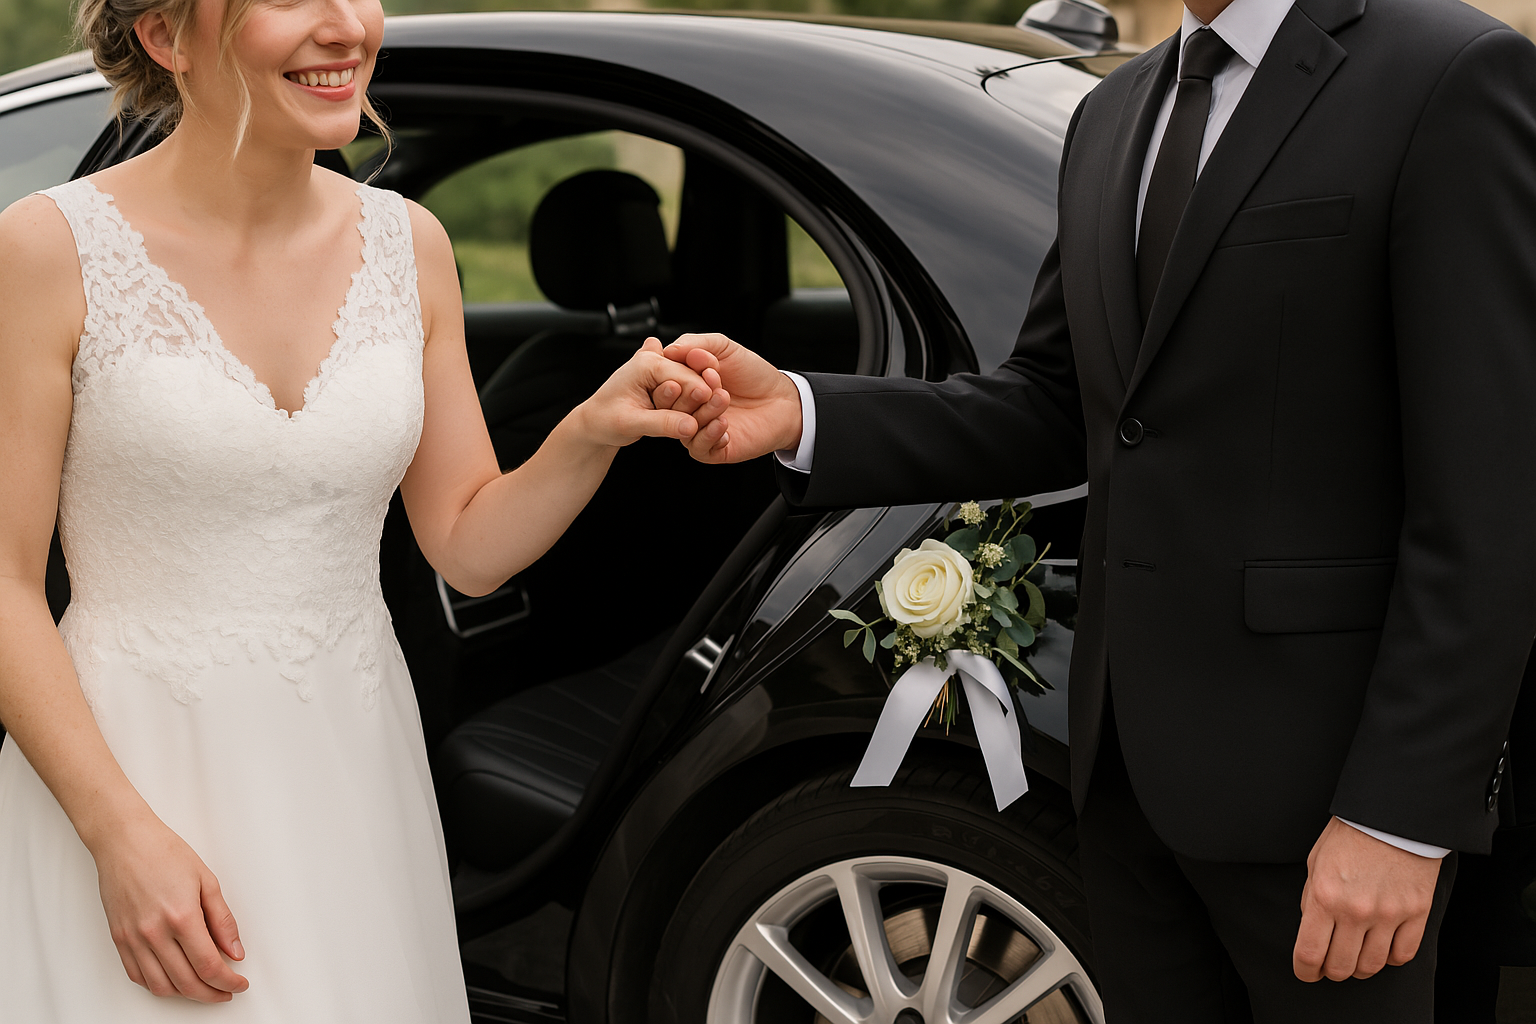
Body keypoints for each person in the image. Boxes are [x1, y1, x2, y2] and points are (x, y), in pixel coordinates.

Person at [653, 0, 1536, 1017]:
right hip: (1123, 787)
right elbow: (1056, 402)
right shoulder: (1114, 115)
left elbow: (1493, 497)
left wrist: (1398, 816)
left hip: (1331, 808)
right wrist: (802, 412)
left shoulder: (1450, 73)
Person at [0, 0, 725, 1019]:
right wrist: (118, 833)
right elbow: (3, 585)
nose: (347, 25)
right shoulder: (46, 249)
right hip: (132, 768)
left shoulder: (410, 244)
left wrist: (589, 431)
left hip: (352, 762)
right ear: (168, 36)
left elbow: (469, 545)